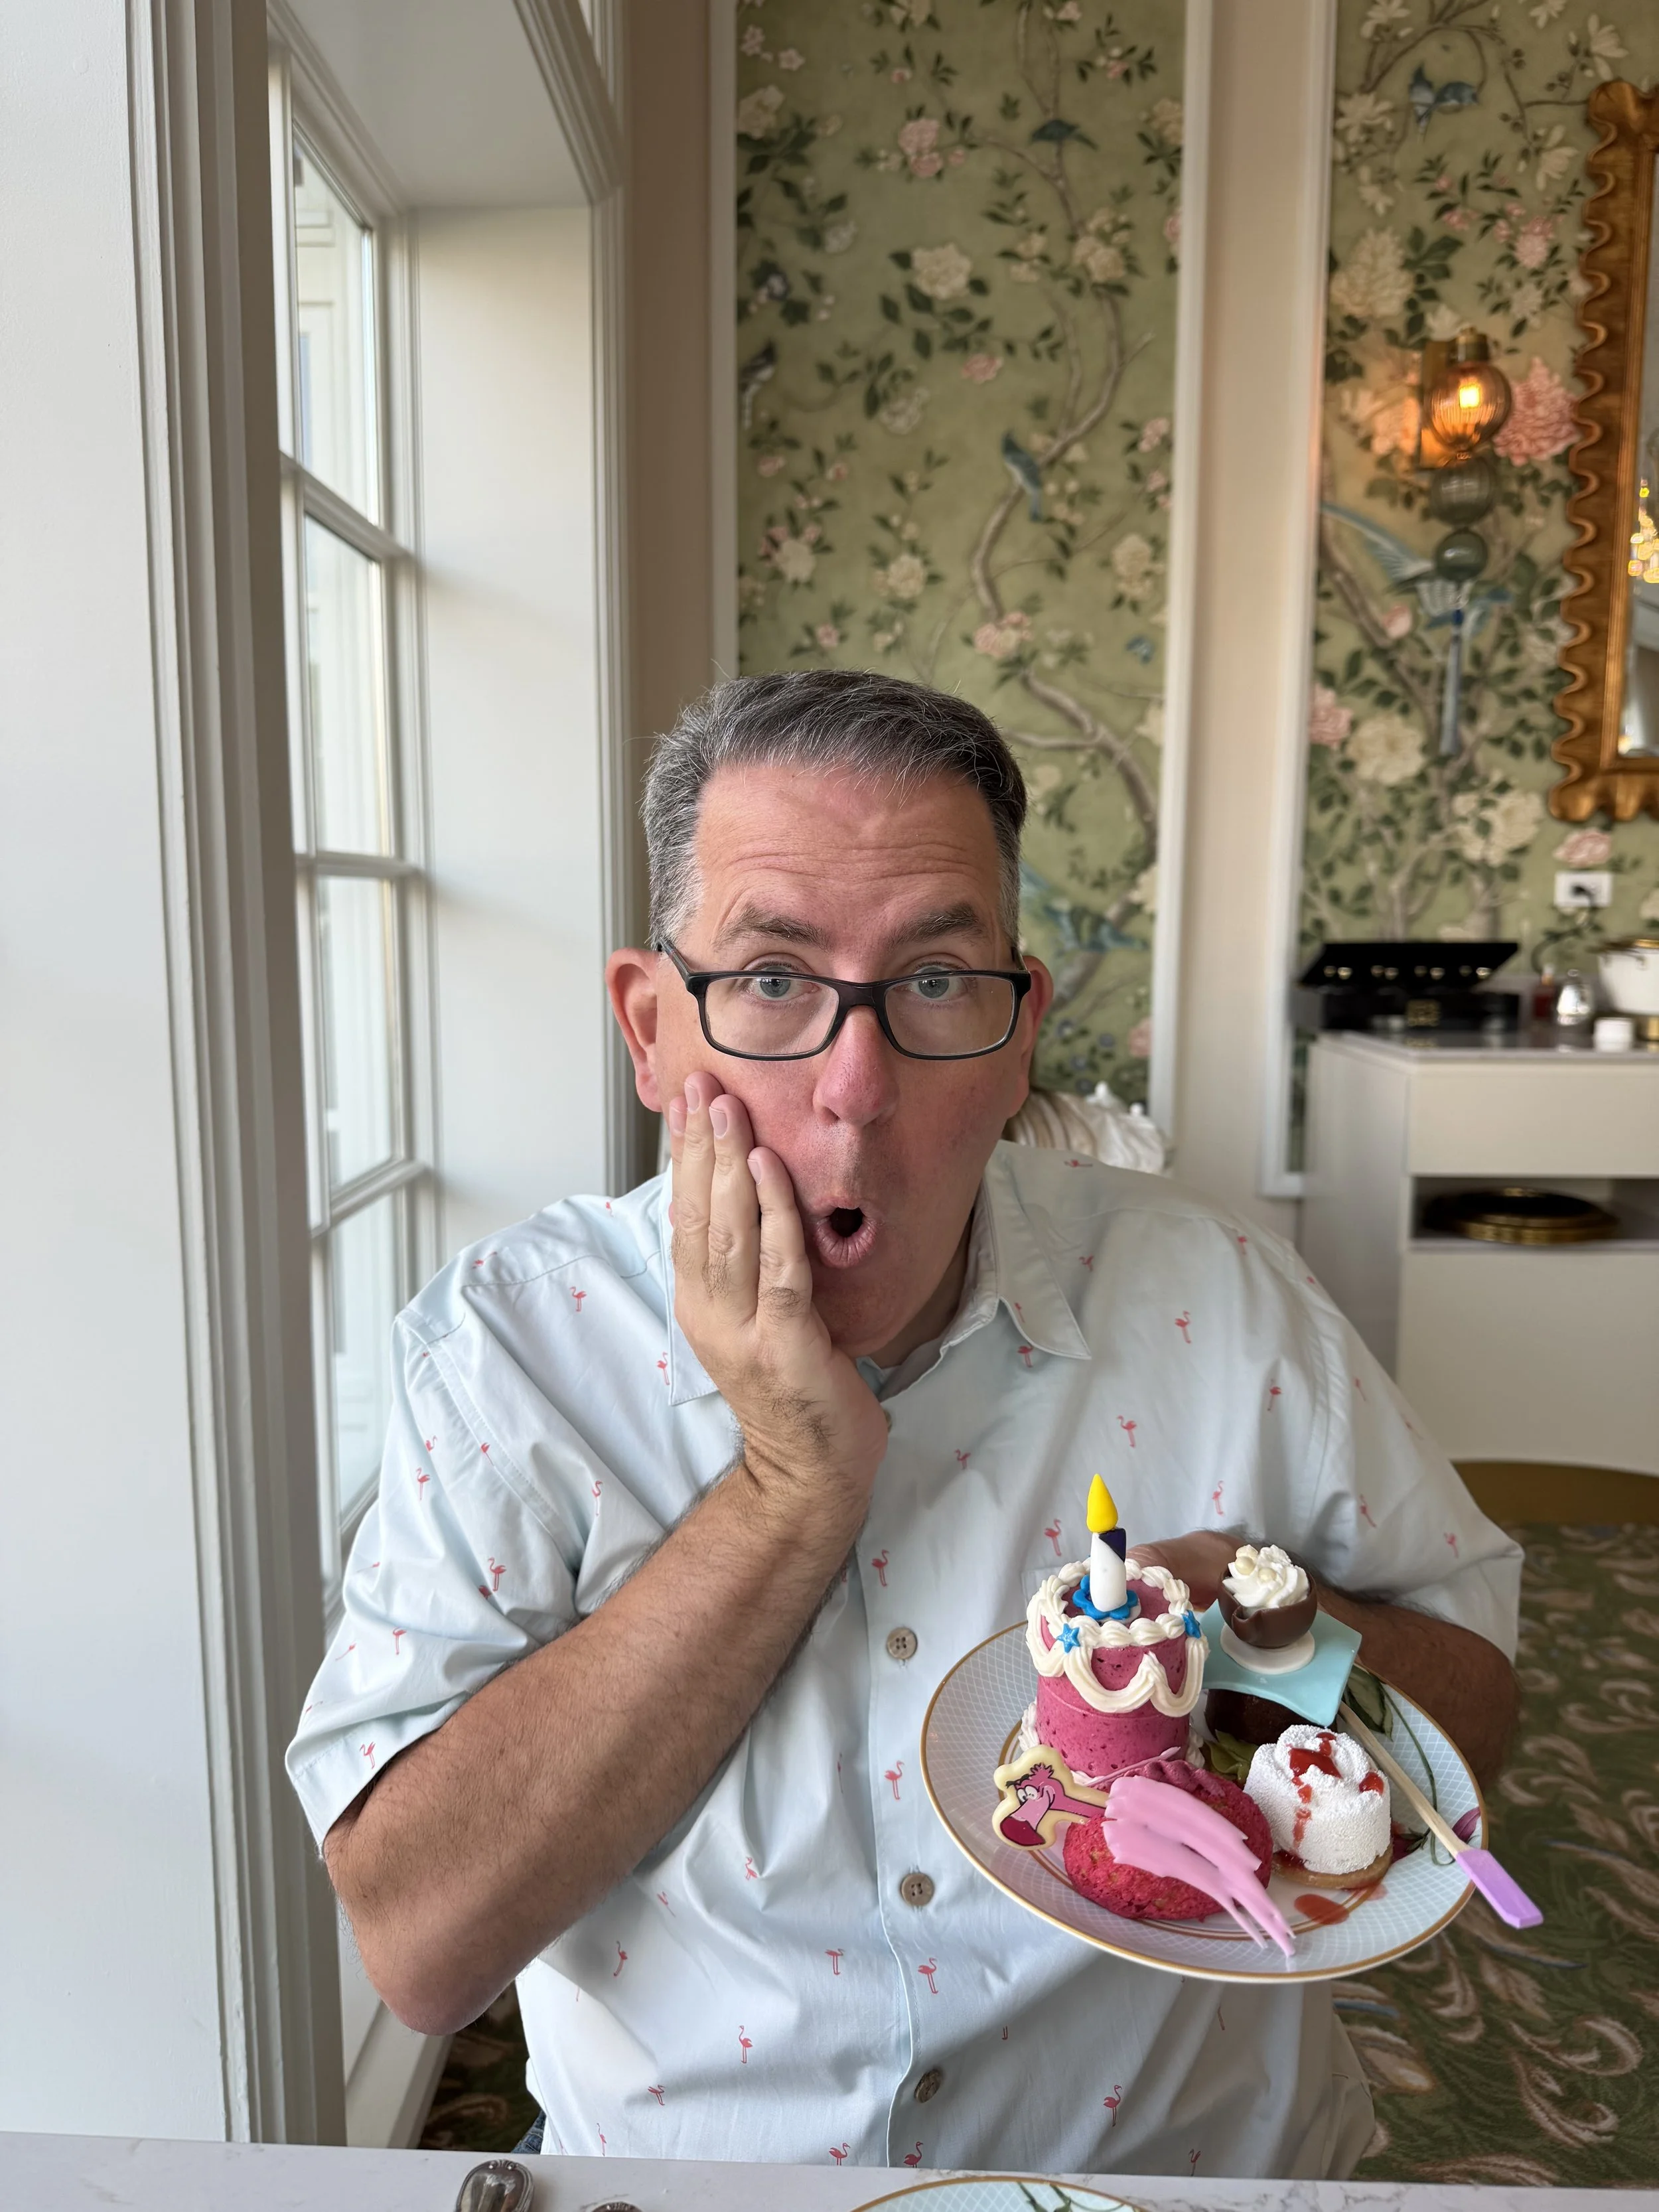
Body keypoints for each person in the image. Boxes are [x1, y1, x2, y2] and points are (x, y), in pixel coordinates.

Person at [287, 670, 1520, 2177]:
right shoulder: (511, 1354)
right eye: (768, 981)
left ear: (1018, 1040)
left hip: (1177, 2182)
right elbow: (420, 1951)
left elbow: (1474, 1715)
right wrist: (787, 1490)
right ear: (650, 1027)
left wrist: (1270, 1627)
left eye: (935, 981)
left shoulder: (1225, 1297)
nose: (852, 1090)